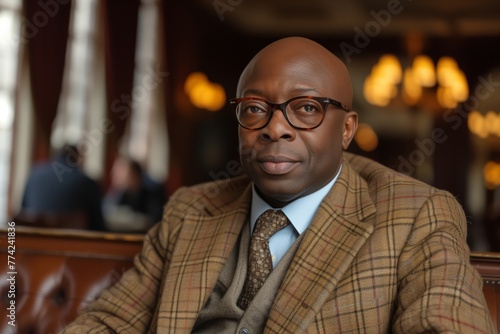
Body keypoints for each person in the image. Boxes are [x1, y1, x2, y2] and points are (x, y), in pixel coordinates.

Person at [61, 37, 494, 333]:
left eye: (305, 108)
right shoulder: (190, 209)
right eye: (255, 109)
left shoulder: (417, 215)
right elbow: (110, 322)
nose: (275, 129)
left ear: (346, 130)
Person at [19, 144, 106, 231]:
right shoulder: (87, 183)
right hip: (73, 242)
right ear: (77, 158)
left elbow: (23, 211)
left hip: (34, 241)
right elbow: (98, 226)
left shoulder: (34, 175)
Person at [103, 156, 166, 232]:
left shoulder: (152, 191)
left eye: (120, 171)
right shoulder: (120, 192)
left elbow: (155, 221)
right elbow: (107, 211)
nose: (115, 176)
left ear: (134, 175)